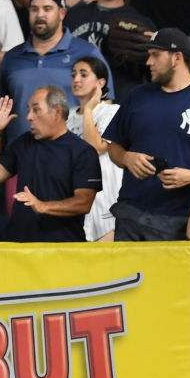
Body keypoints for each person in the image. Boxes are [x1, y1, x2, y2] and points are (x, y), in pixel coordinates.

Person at [103, 28, 190, 241]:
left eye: (156, 55)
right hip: (131, 213)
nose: (148, 62)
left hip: (181, 218)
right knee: (128, 276)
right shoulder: (137, 96)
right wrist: (127, 157)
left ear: (177, 58)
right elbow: (113, 146)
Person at [0, 86, 102, 241]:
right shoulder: (24, 142)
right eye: (29, 110)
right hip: (18, 245)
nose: (29, 117)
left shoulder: (83, 152)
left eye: (36, 110)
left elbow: (84, 203)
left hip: (61, 248)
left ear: (57, 112)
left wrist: (43, 206)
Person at [0, 0, 111, 143]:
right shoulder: (12, 57)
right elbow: (1, 112)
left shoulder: (87, 52)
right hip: (18, 157)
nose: (40, 15)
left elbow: (105, 104)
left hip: (69, 156)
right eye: (34, 9)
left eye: (47, 8)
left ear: (62, 13)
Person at [64, 0, 154, 102]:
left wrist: (153, 53)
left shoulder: (141, 23)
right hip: (74, 103)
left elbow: (156, 75)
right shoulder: (74, 15)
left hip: (120, 104)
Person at [66, 56, 122, 241]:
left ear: (101, 82)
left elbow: (96, 148)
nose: (76, 79)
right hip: (76, 202)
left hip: (105, 202)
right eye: (73, 74)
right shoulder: (67, 116)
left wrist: (89, 110)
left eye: (83, 74)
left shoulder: (112, 112)